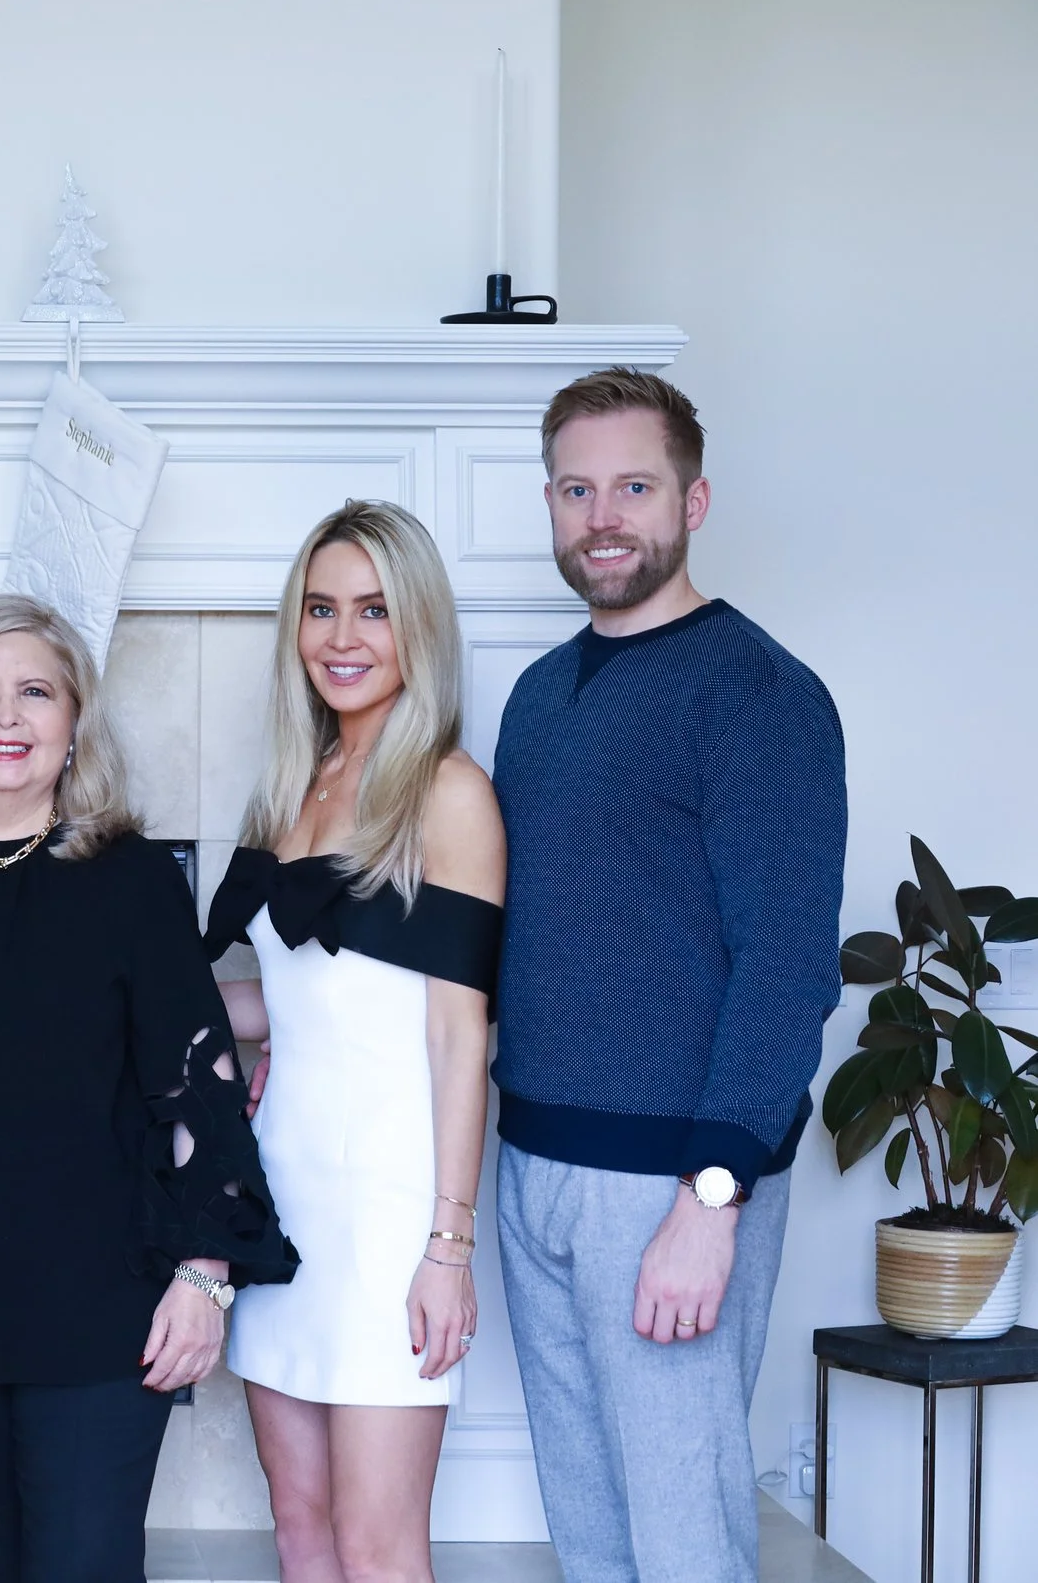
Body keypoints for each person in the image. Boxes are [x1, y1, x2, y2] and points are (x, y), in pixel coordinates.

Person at [0, 594, 295, 1583]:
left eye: (34, 693)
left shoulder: (127, 879)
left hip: (101, 1312)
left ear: (72, 723)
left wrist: (204, 1273)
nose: (5, 718)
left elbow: (194, 1076)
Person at [493, 368, 845, 1583]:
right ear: (547, 502)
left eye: (632, 486)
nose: (603, 516)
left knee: (684, 1540)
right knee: (592, 1535)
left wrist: (710, 1195)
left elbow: (788, 962)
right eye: (578, 488)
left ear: (693, 500)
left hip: (670, 1184)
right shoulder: (539, 696)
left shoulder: (760, 696)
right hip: (532, 1161)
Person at [203, 501, 505, 1583]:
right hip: (279, 1198)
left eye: (373, 609)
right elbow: (290, 1003)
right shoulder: (287, 787)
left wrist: (448, 1247)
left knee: (380, 1550)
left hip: (390, 1214)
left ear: (416, 624)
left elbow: (456, 1034)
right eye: (321, 608)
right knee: (300, 1528)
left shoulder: (447, 789)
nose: (343, 636)